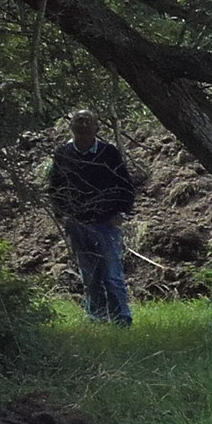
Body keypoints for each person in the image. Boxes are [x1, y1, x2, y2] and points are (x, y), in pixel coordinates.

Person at [47, 109, 137, 326]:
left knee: (112, 275)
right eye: (79, 123)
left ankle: (121, 319)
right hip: (77, 223)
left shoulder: (109, 153)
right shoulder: (63, 154)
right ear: (72, 128)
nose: (84, 127)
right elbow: (55, 187)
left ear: (97, 128)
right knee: (90, 274)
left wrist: (122, 212)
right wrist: (62, 215)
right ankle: (97, 317)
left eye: (89, 123)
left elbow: (124, 184)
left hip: (107, 222)